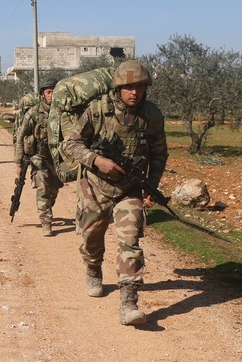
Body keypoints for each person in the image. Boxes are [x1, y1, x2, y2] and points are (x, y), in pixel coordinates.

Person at [62, 60, 168, 326]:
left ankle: (129, 302)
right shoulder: (97, 111)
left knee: (130, 242)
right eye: (130, 87)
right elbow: (71, 143)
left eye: (141, 87)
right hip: (94, 187)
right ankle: (93, 268)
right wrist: (97, 161)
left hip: (129, 189)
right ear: (118, 87)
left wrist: (149, 187)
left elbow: (158, 154)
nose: (136, 92)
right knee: (91, 239)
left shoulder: (151, 115)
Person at [13, 79, 63, 236]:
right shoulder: (33, 113)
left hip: (56, 157)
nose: (51, 95)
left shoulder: (61, 111)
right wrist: (18, 163)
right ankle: (46, 222)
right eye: (48, 92)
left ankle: (47, 206)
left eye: (54, 91)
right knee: (43, 187)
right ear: (43, 94)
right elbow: (20, 137)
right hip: (38, 156)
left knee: (54, 189)